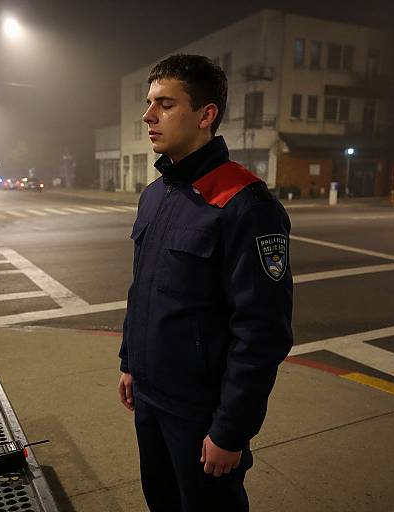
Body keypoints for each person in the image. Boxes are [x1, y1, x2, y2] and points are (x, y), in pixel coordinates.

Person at [118, 54, 293, 512]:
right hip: (151, 401)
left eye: (165, 104)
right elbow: (144, 291)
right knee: (162, 502)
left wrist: (230, 429)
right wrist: (129, 361)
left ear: (206, 114)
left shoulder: (245, 203)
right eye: (149, 103)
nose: (148, 115)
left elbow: (262, 330)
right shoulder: (156, 195)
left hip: (201, 415)